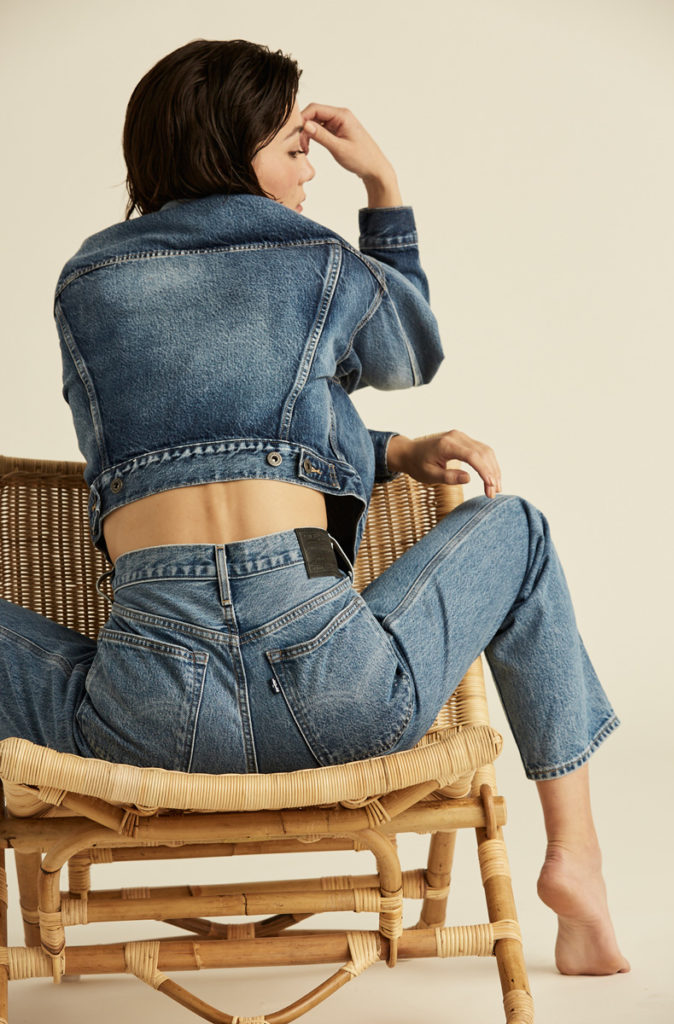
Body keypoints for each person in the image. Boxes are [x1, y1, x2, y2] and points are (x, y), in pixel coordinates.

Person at [0, 38, 628, 976]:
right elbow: (408, 358)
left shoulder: (87, 282)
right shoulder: (317, 258)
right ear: (234, 146)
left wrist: (393, 451)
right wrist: (383, 187)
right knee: (518, 530)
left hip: (143, 721)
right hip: (340, 698)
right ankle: (575, 857)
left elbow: (164, 455)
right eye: (297, 147)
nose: (310, 170)